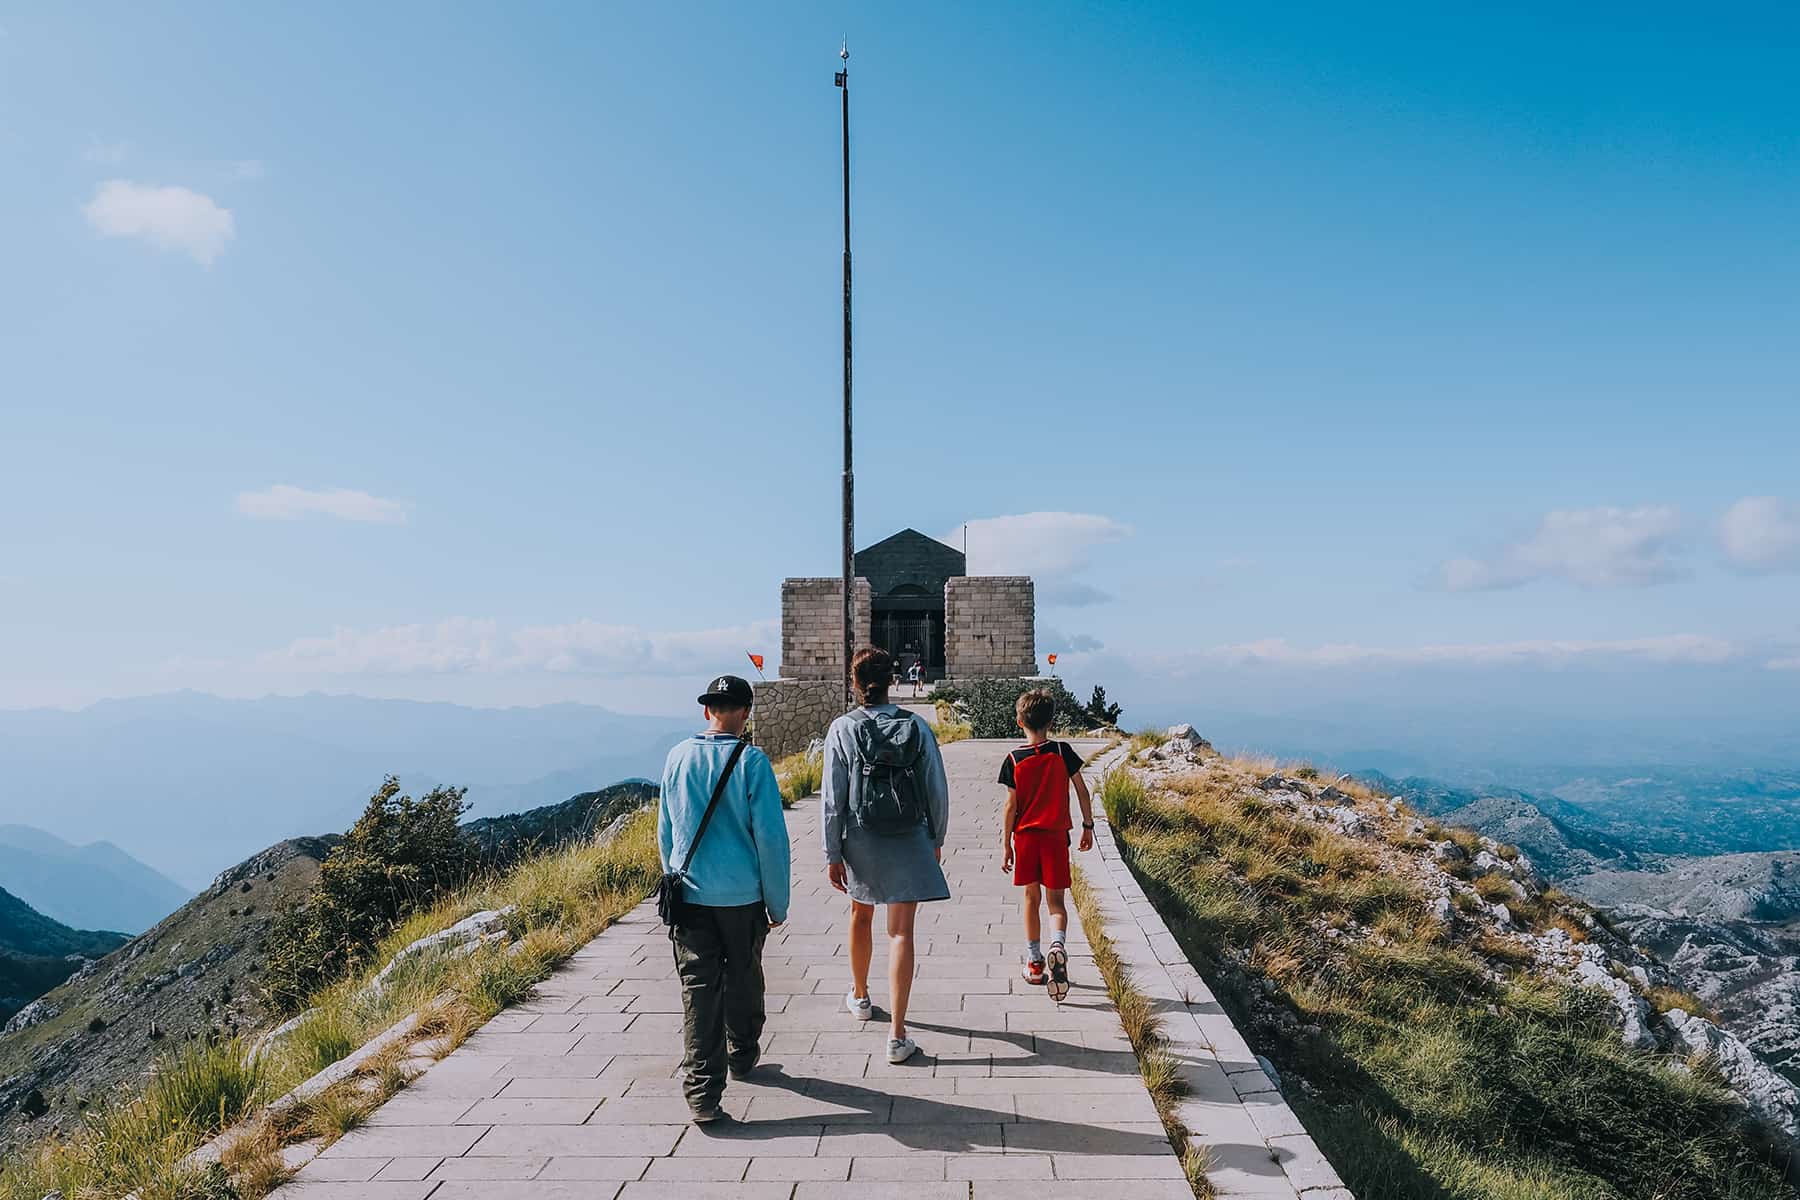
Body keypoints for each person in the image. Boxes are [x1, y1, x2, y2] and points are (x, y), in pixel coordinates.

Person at [658, 673, 791, 1123]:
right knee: (744, 975)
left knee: (698, 989)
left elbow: (667, 830)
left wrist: (673, 876)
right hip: (742, 898)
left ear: (706, 711)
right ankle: (743, 1050)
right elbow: (771, 839)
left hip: (691, 894)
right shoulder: (752, 762)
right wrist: (777, 901)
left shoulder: (677, 756)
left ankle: (702, 1094)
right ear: (746, 713)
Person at [821, 646, 951, 1064]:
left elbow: (832, 798)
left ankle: (860, 996)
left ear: (854, 683)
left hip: (861, 834)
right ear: (893, 680)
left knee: (861, 914)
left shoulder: (842, 728)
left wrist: (833, 850)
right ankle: (897, 1035)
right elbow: (936, 786)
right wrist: (935, 837)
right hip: (910, 831)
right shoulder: (917, 726)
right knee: (902, 932)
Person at [999, 688, 1094, 1002]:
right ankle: (1058, 945)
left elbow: (1010, 807)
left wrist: (1006, 845)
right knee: (1056, 902)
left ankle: (1035, 962)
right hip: (1056, 838)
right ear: (1051, 721)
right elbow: (1082, 790)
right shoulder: (1062, 752)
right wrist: (1087, 826)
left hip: (1025, 837)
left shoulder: (1013, 759)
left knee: (1030, 898)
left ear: (1018, 722)